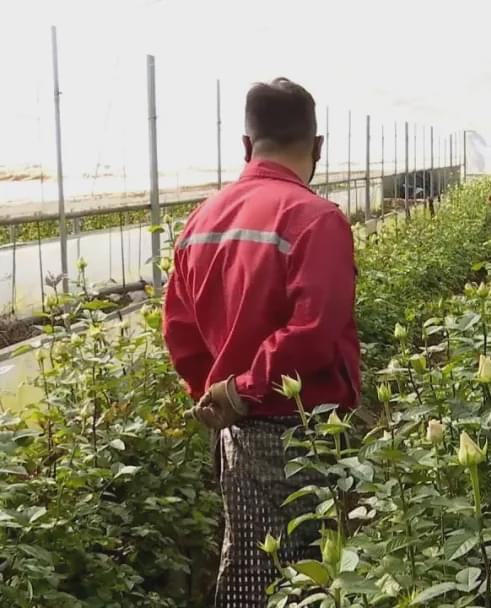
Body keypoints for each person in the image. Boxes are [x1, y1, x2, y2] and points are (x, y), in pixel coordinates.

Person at [162, 77, 361, 607]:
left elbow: (180, 333)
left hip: (234, 431)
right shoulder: (315, 219)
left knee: (250, 559)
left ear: (246, 145)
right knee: (315, 567)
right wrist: (247, 388)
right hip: (305, 431)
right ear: (318, 147)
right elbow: (314, 333)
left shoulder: (201, 222)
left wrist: (219, 395)